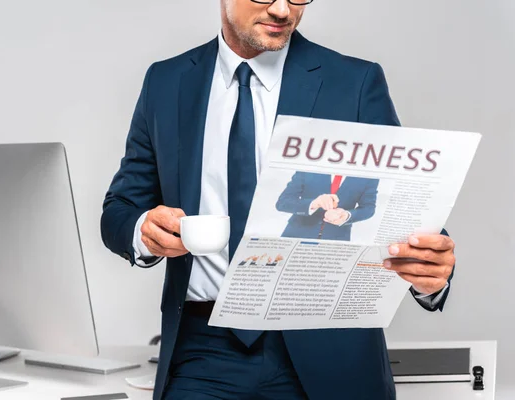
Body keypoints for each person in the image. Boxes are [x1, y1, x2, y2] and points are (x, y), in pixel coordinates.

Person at [101, 1, 456, 399]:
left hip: (329, 345)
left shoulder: (353, 82)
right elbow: (120, 210)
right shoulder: (166, 82)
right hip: (204, 349)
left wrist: (430, 269)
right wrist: (144, 231)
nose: (283, 10)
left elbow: (400, 204)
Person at [276, 172, 378, 240]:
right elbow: (283, 202)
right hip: (296, 235)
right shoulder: (309, 168)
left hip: (337, 241)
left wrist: (347, 215)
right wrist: (314, 203)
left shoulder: (368, 176)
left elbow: (368, 208)